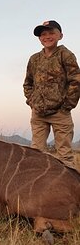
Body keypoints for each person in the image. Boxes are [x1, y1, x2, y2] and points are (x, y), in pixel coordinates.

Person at [23, 20, 80, 167]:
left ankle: (69, 188)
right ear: (39, 38)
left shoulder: (65, 55)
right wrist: (32, 102)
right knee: (36, 154)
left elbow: (76, 81)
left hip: (60, 113)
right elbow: (28, 83)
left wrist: (67, 106)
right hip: (38, 114)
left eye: (51, 33)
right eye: (43, 34)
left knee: (65, 156)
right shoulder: (34, 59)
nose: (47, 36)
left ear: (60, 35)